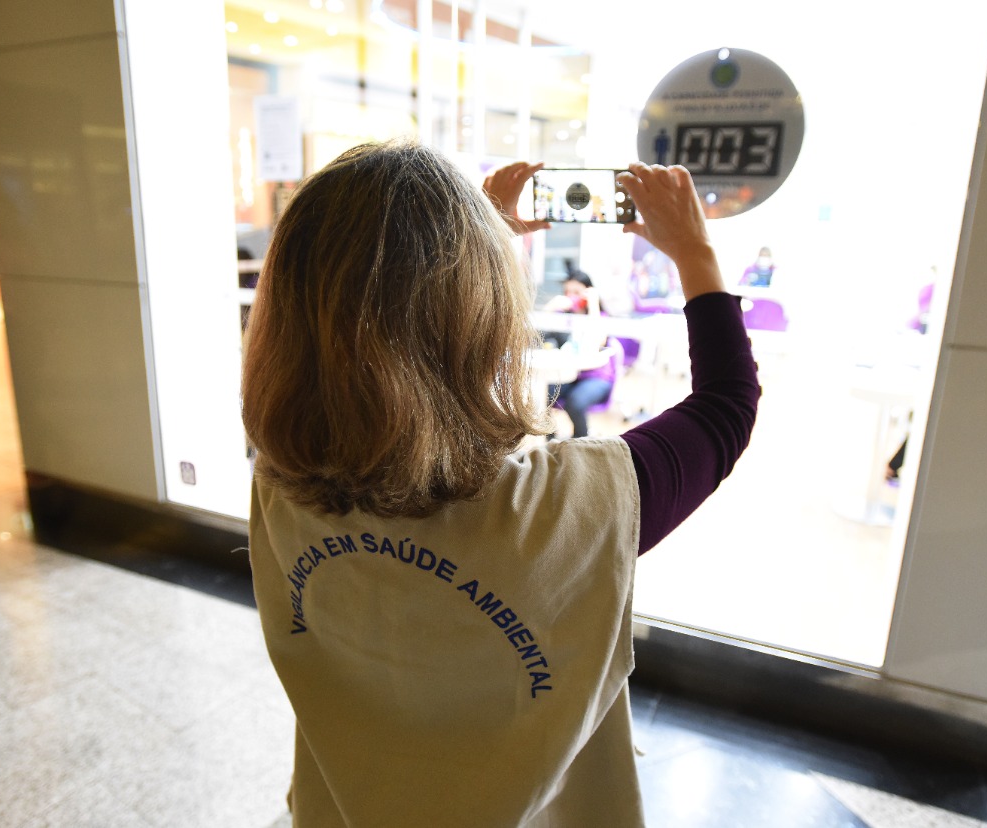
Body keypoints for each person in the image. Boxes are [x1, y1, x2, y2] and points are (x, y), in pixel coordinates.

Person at [241, 140, 758, 826]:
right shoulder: (573, 507)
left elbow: (379, 358)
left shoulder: (279, 482)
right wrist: (693, 251)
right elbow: (725, 408)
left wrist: (475, 235)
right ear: (484, 310)